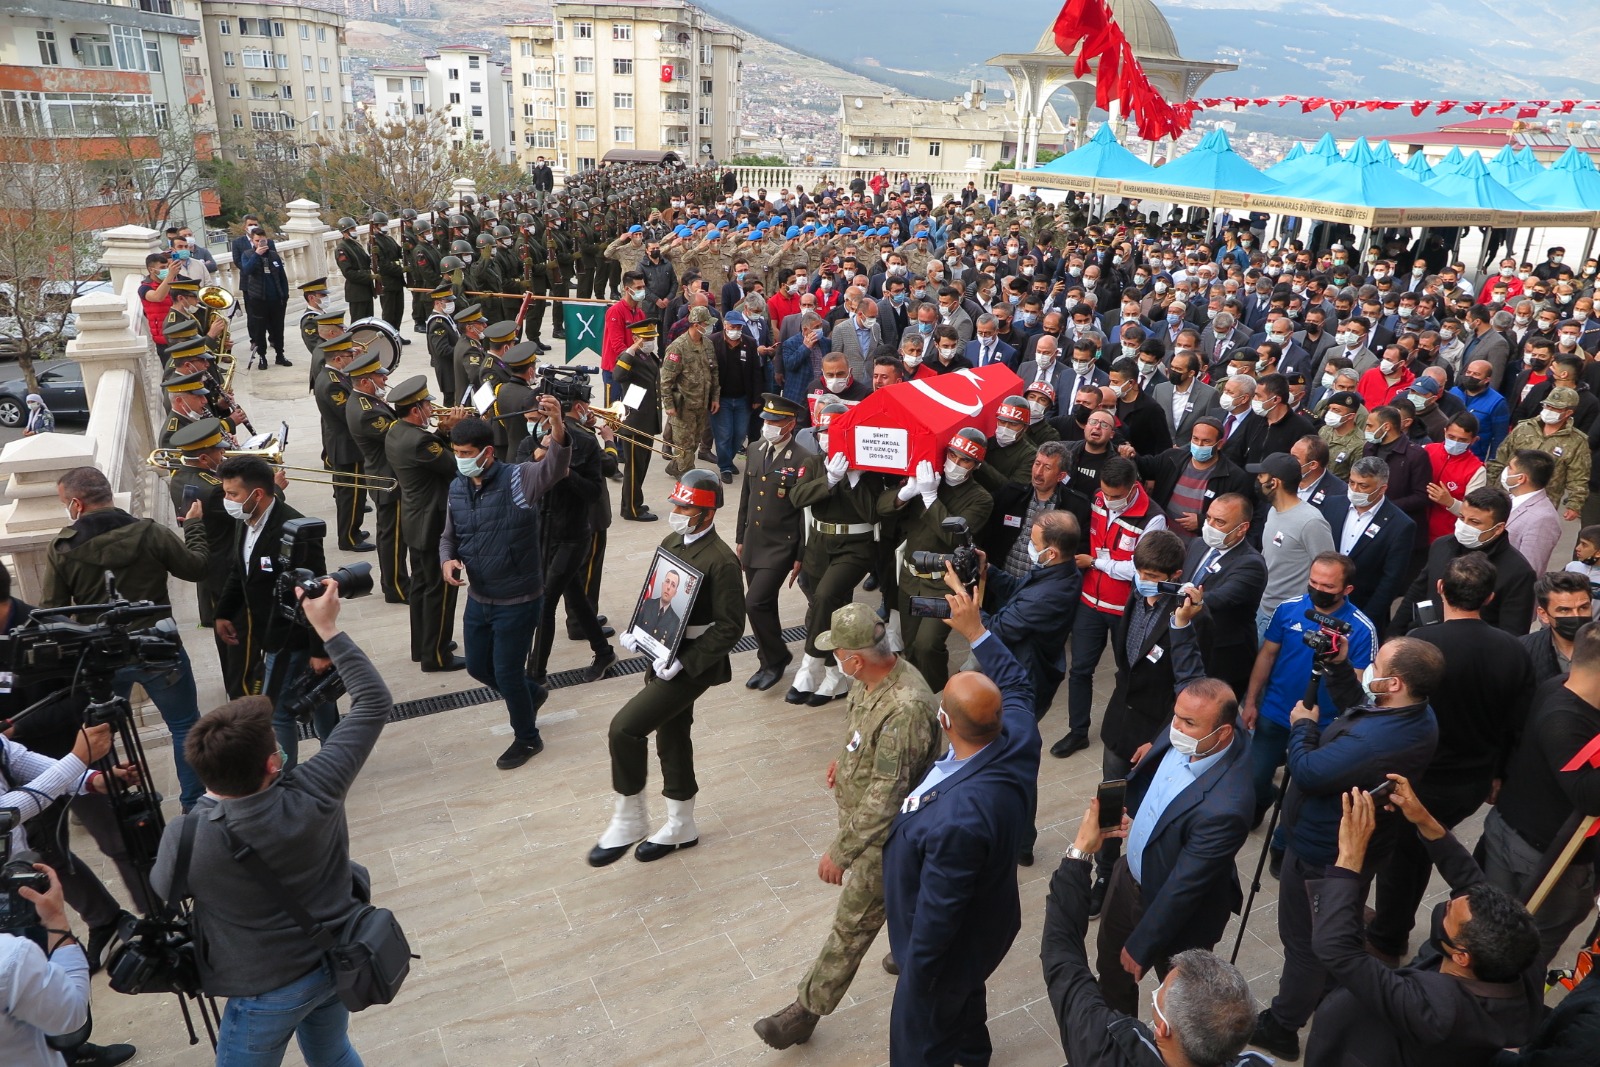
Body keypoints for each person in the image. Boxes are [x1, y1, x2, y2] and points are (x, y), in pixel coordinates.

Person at [149, 581, 390, 1067]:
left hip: (265, 989)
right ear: (273, 764)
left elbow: (160, 897)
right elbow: (373, 702)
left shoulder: (190, 833)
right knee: (334, 1052)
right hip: (335, 961)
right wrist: (328, 628)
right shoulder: (318, 786)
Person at [752, 604, 941, 1050]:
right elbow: (864, 736)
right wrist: (847, 761)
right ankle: (910, 945)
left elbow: (887, 795)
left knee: (851, 924)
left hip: (887, 836)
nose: (836, 660)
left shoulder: (906, 706)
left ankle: (804, 1012)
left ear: (855, 659)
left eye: (837, 654)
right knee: (905, 903)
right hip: (872, 824)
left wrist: (842, 851)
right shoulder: (869, 679)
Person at [1250, 636, 1442, 1062]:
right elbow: (1361, 705)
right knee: (1340, 920)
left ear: (1394, 684)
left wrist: (1303, 726)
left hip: (1324, 850)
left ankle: (1282, 1025)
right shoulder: (1415, 712)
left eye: (1377, 664)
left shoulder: (1375, 741)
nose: (1369, 667)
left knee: (1304, 941)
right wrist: (1338, 668)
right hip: (1358, 843)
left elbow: (1308, 771)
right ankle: (1335, 988)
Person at [882, 578, 1039, 1067]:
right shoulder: (1016, 738)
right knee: (966, 1002)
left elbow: (937, 916)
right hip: (988, 923)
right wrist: (978, 632)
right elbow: (1015, 684)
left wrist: (915, 987)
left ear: (945, 723)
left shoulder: (959, 821)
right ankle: (974, 1054)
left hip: (946, 952)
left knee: (922, 1042)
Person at [1367, 553, 1535, 964]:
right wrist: (1499, 775)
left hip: (1417, 779)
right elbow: (1517, 723)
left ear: (1440, 589)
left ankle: (1387, 938)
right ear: (1490, 597)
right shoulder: (1513, 651)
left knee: (1402, 861)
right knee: (1423, 850)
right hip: (1472, 783)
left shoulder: (1421, 649)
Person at [1308, 783, 1541, 1067]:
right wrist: (1423, 819)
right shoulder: (1518, 950)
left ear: (1461, 956)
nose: (1446, 904)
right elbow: (1473, 886)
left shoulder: (1436, 1012)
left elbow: (1336, 949)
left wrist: (1349, 858)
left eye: (1447, 915)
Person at [588, 469, 745, 866]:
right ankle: (681, 824)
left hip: (691, 664)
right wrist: (638, 632)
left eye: (685, 506)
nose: (676, 511)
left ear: (707, 514)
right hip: (664, 651)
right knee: (672, 735)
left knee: (625, 728)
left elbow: (731, 626)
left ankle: (630, 817)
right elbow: (656, 593)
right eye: (676, 504)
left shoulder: (722, 560)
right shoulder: (672, 540)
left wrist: (685, 663)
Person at [1042, 798, 1259, 1067]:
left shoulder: (1102, 1051)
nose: (1156, 994)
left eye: (1160, 992)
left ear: (1163, 1028)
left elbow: (1062, 959)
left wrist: (1079, 855)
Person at [43, 466, 209, 811]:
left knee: (99, 736)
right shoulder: (149, 533)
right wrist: (194, 525)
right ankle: (194, 806)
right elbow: (196, 567)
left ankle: (111, 799)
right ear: (107, 494)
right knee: (184, 727)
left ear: (76, 504)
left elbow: (53, 612)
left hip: (102, 657)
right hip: (159, 649)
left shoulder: (63, 548)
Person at [1096, 676, 1255, 1018]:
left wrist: (1142, 944)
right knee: (1110, 972)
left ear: (1223, 733)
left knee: (1178, 1007)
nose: (1175, 729)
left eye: (1189, 723)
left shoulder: (1226, 808)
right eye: (1176, 716)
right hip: (1129, 877)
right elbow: (1190, 672)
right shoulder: (1198, 729)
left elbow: (1183, 886)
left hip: (1176, 919)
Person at [442, 407, 574, 769]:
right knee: (478, 668)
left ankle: (528, 738)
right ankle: (533, 694)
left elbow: (556, 466)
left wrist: (559, 425)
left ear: (487, 452)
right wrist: (447, 560)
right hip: (479, 598)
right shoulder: (456, 487)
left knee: (507, 673)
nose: (461, 461)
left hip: (518, 599)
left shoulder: (520, 479)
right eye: (456, 453)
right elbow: (448, 537)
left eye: (467, 454)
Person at [1480, 622, 1600, 975]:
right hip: (1545, 857)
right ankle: (1510, 1002)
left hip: (1515, 831)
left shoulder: (1556, 688)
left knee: (1496, 930)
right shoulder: (1565, 721)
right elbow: (1589, 797)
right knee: (1527, 948)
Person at [212, 456, 339, 771]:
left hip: (291, 639)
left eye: (233, 494)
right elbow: (239, 572)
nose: (227, 501)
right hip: (269, 634)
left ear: (257, 494)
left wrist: (320, 650)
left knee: (278, 713)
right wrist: (223, 611)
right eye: (225, 493)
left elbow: (315, 591)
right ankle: (336, 760)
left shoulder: (295, 529)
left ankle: (284, 777)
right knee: (318, 701)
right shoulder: (247, 523)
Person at [1243, 552, 1380, 829]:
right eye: (1313, 582)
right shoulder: (1288, 609)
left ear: (1347, 589)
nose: (1318, 589)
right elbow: (1267, 656)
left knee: (1301, 795)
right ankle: (1261, 802)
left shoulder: (1362, 629)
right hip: (1275, 712)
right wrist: (1250, 701)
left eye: (1328, 586)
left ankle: (1283, 841)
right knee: (1254, 779)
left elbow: (1357, 687)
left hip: (1324, 724)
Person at [1053, 455, 1167, 758]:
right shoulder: (1098, 499)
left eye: (1116, 496)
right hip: (1089, 602)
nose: (1109, 500)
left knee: (1127, 672)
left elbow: (1140, 568)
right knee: (1079, 670)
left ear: (1133, 488)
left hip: (1125, 608)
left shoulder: (1153, 518)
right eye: (1105, 493)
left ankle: (1123, 729)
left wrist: (1097, 563)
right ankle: (1077, 731)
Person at [878, 429, 994, 693]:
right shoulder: (930, 478)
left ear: (975, 466)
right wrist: (906, 493)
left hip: (943, 584)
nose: (956, 462)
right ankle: (917, 691)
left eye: (965, 460)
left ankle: (940, 694)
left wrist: (930, 498)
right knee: (910, 645)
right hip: (910, 578)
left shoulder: (980, 498)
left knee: (928, 645)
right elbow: (881, 509)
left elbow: (954, 538)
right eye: (953, 454)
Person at [385, 376, 466, 672]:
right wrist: (454, 432)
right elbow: (455, 467)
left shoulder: (397, 431)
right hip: (433, 523)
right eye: (427, 405)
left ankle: (422, 645)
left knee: (421, 587)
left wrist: (442, 431)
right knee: (441, 590)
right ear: (415, 410)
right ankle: (437, 655)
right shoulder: (421, 440)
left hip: (415, 519)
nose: (433, 409)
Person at [736, 394, 809, 691]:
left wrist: (800, 554)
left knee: (754, 602)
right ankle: (768, 659)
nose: (768, 426)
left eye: (775, 421)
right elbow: (746, 497)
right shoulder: (755, 449)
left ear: (790, 424)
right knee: (764, 605)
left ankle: (776, 657)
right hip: (754, 540)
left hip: (782, 544)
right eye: (766, 420)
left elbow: (805, 513)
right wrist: (740, 538)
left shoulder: (803, 458)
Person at [1391, 488, 1535, 637]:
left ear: (1498, 528)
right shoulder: (1441, 546)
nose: (1464, 526)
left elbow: (1513, 633)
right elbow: (1416, 593)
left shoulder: (1518, 572)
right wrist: (1392, 635)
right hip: (1426, 643)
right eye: (1461, 517)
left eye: (1474, 522)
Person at [1319, 455, 1416, 633]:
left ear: (1382, 489)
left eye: (1363, 486)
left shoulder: (1400, 525)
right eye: (1352, 483)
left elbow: (1391, 580)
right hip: (1322, 605)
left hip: (1363, 611)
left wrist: (1364, 620)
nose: (1355, 489)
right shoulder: (1332, 505)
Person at [1182, 492, 1267, 694]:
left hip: (1221, 659)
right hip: (1189, 645)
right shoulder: (1198, 544)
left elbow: (1219, 598)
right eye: (1208, 517)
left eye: (1219, 522)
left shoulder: (1251, 564)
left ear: (1242, 528)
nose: (1210, 525)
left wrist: (1182, 595)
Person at [1250, 452, 1335, 637]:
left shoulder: (1311, 522)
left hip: (1290, 619)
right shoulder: (1273, 511)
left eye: (1261, 476)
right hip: (1263, 608)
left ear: (1275, 482)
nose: (1257, 480)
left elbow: (1331, 571)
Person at [1485, 386, 1591, 522]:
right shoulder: (1523, 428)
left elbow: (1579, 477)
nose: (1549, 410)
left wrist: (1574, 504)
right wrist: (1490, 488)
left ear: (1568, 412)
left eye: (1555, 408)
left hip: (1542, 503)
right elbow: (1500, 459)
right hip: (1505, 495)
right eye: (1548, 406)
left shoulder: (1577, 442)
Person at [311, 333, 372, 553]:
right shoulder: (332, 384)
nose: (352, 356)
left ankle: (352, 529)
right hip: (346, 446)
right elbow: (349, 412)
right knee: (352, 496)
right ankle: (348, 537)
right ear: (337, 359)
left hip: (344, 443)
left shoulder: (335, 375)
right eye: (348, 354)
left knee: (353, 493)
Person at [661, 305, 719, 479]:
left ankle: (675, 466)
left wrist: (715, 397)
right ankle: (687, 478)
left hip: (701, 404)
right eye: (705, 323)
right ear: (695, 324)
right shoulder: (677, 348)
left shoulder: (707, 344)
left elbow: (714, 371)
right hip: (683, 406)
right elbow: (666, 380)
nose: (709, 327)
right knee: (684, 446)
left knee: (693, 443)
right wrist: (668, 404)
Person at [238, 226, 292, 370]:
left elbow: (282, 277)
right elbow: (247, 270)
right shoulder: (248, 255)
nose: (260, 243)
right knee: (260, 330)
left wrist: (284, 295)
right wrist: (256, 254)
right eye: (257, 241)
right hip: (258, 299)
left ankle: (280, 355)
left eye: (263, 240)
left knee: (278, 328)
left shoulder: (273, 255)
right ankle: (262, 357)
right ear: (252, 241)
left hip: (276, 299)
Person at [1502, 449, 1563, 573]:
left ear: (1521, 478)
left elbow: (1530, 569)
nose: (1505, 471)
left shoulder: (1544, 519)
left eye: (1510, 468)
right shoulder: (1509, 498)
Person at [1524, 570, 1591, 681]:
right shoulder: (1524, 651)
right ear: (1544, 614)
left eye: (1583, 608)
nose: (1576, 615)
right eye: (1565, 610)